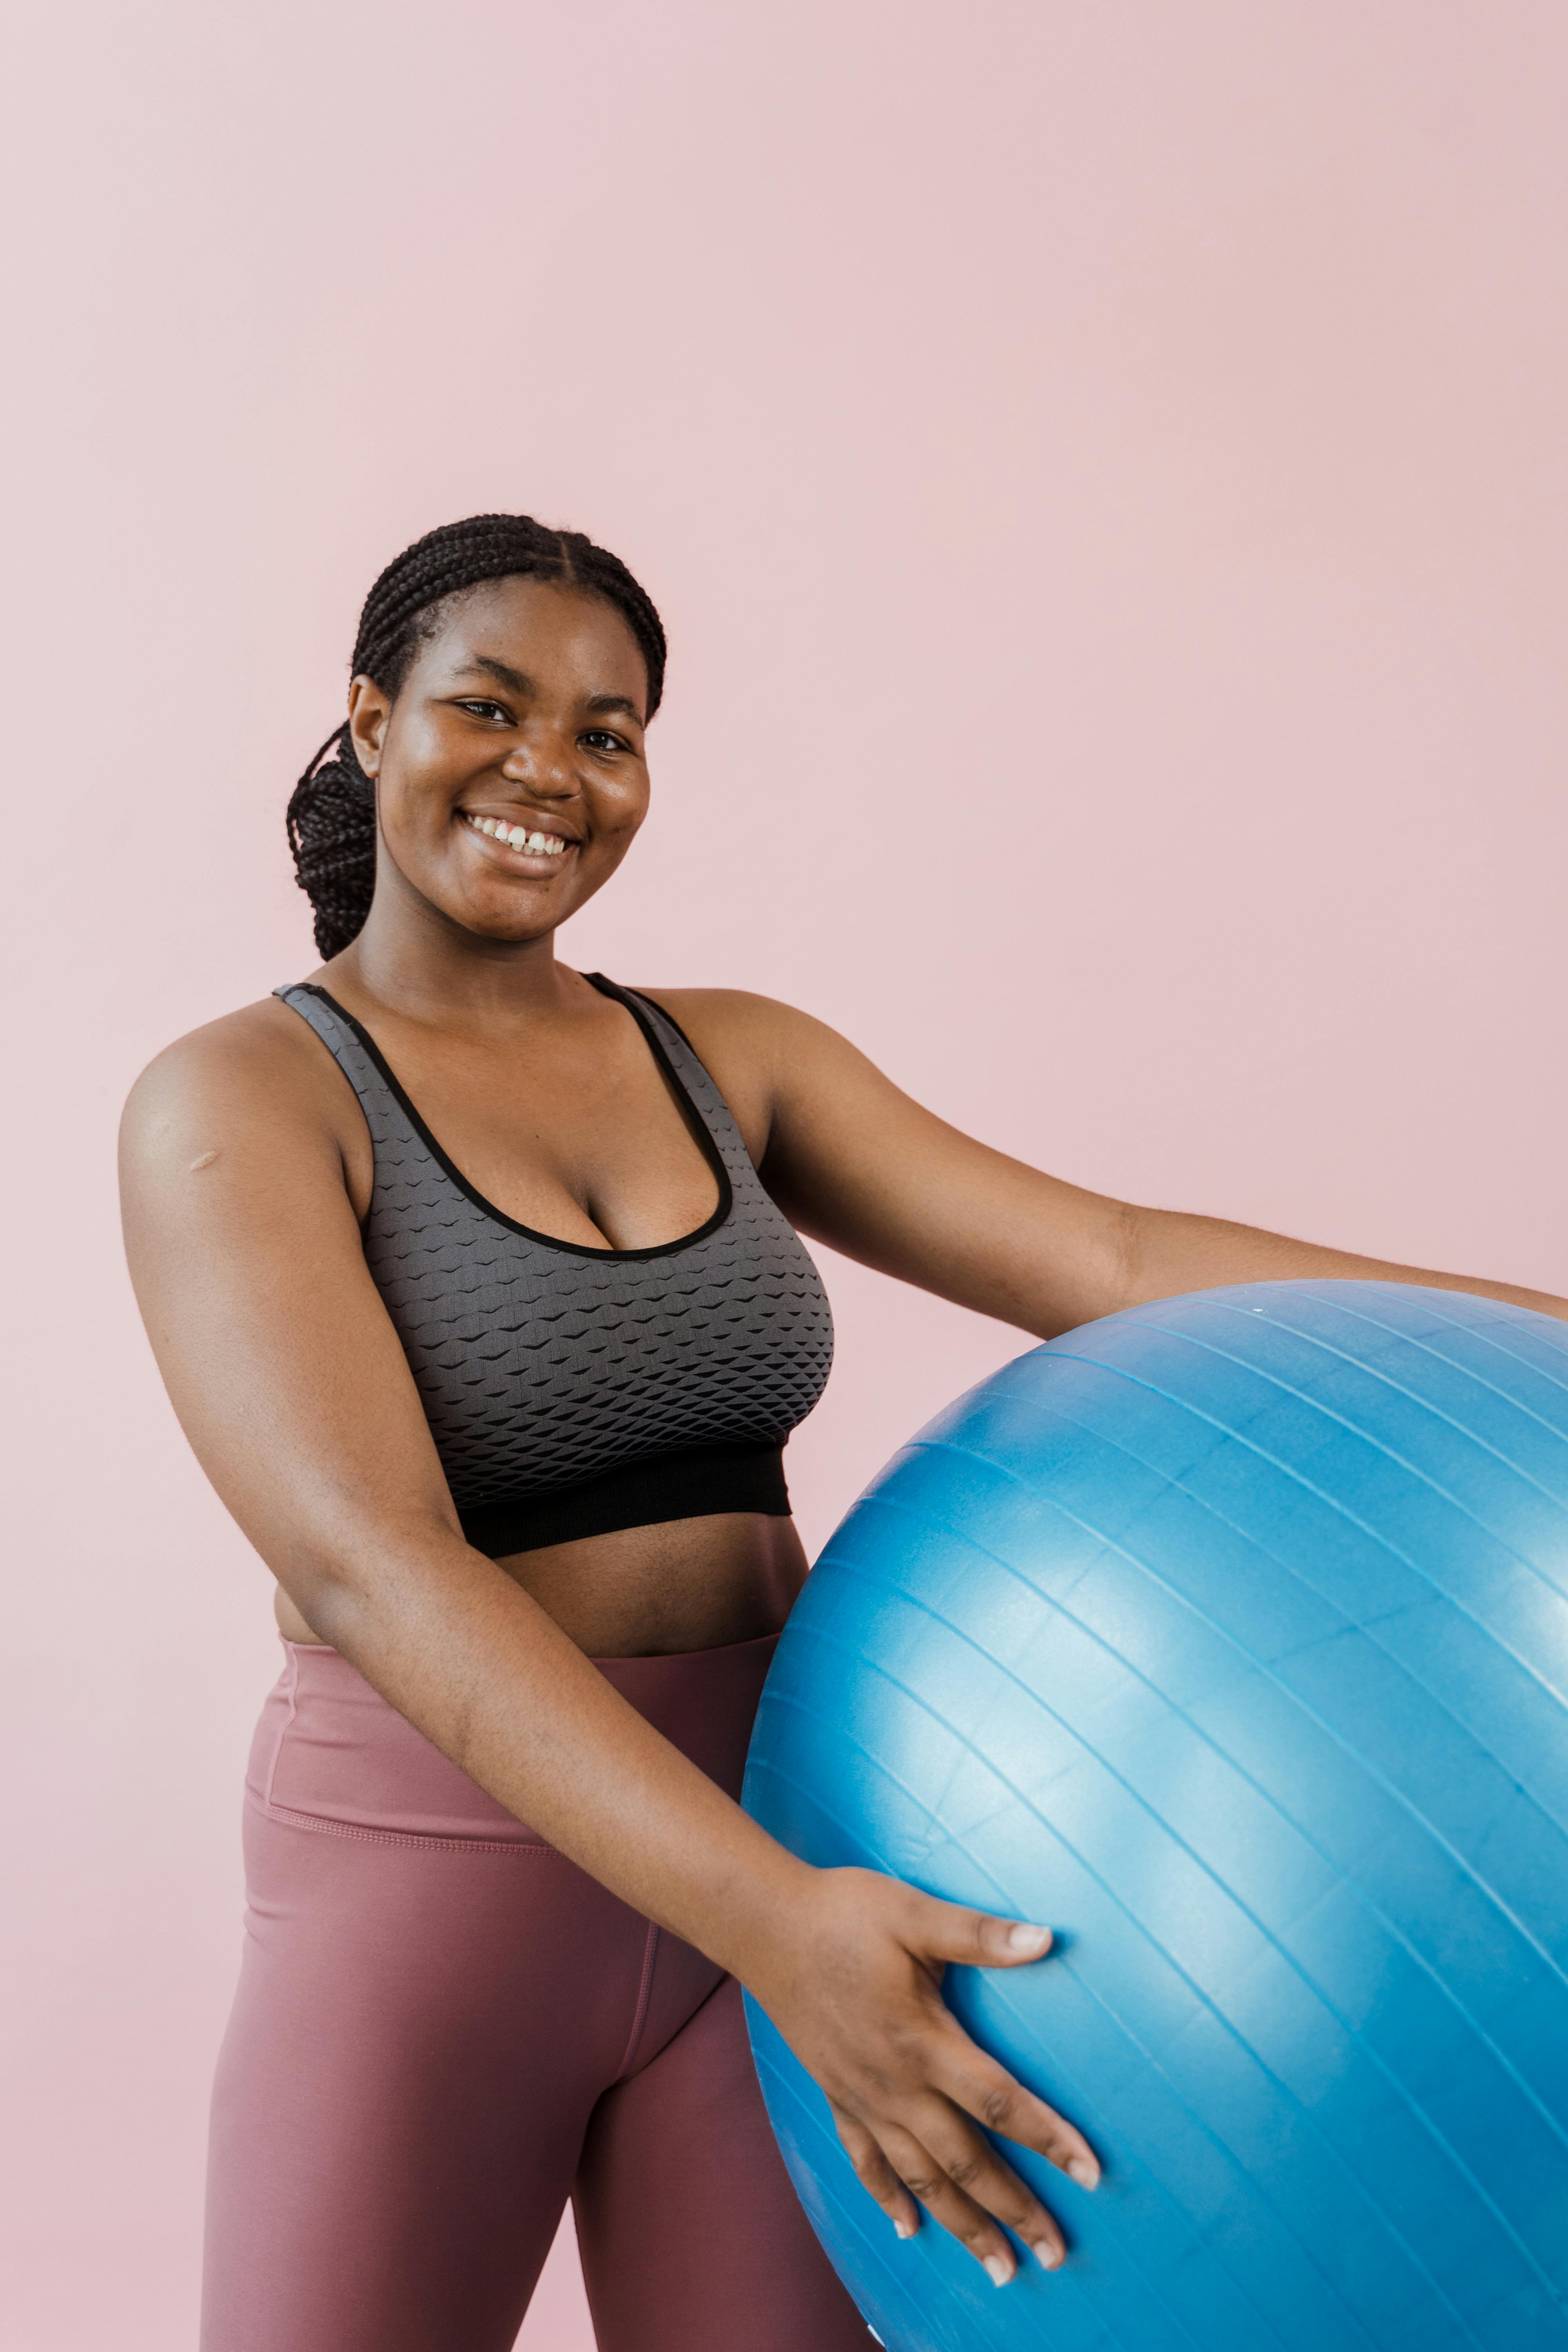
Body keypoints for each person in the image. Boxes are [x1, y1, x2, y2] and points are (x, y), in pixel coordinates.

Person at [119, 513, 1567, 2352]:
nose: (546, 772)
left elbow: (1109, 1256)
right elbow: (370, 1561)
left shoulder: (727, 1060)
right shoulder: (239, 1099)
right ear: (371, 716)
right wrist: (774, 1926)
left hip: (800, 1834)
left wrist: (1536, 1333)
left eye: (608, 729)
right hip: (446, 1891)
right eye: (487, 706)